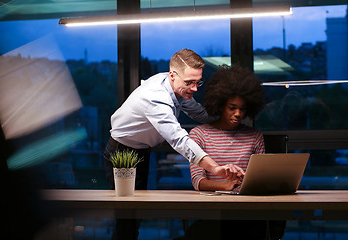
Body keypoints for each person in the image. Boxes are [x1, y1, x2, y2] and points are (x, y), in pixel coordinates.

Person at [103, 49, 244, 240]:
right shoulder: (156, 97)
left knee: (135, 218)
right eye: (189, 83)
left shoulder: (178, 87)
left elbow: (199, 113)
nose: (194, 89)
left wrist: (225, 117)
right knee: (127, 220)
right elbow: (179, 139)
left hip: (142, 151)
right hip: (121, 153)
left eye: (197, 82)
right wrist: (216, 169)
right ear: (172, 75)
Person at [185, 65, 285, 240]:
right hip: (212, 213)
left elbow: (261, 178)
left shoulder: (254, 136)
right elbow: (198, 181)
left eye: (243, 108)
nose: (238, 114)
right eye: (232, 107)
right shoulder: (199, 134)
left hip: (248, 211)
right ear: (220, 104)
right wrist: (227, 188)